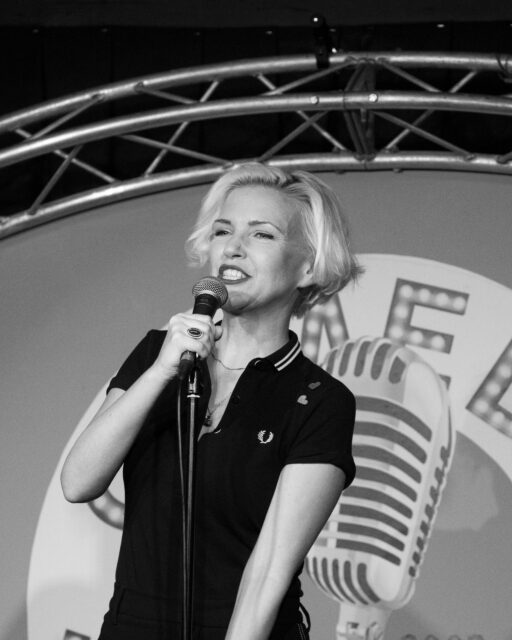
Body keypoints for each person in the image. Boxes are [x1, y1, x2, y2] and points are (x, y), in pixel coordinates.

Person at [60, 163, 362, 640]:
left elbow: (267, 575)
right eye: (223, 230)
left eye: (262, 234)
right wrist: (162, 370)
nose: (233, 247)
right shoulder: (159, 353)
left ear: (309, 266)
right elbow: (78, 482)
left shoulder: (319, 401)